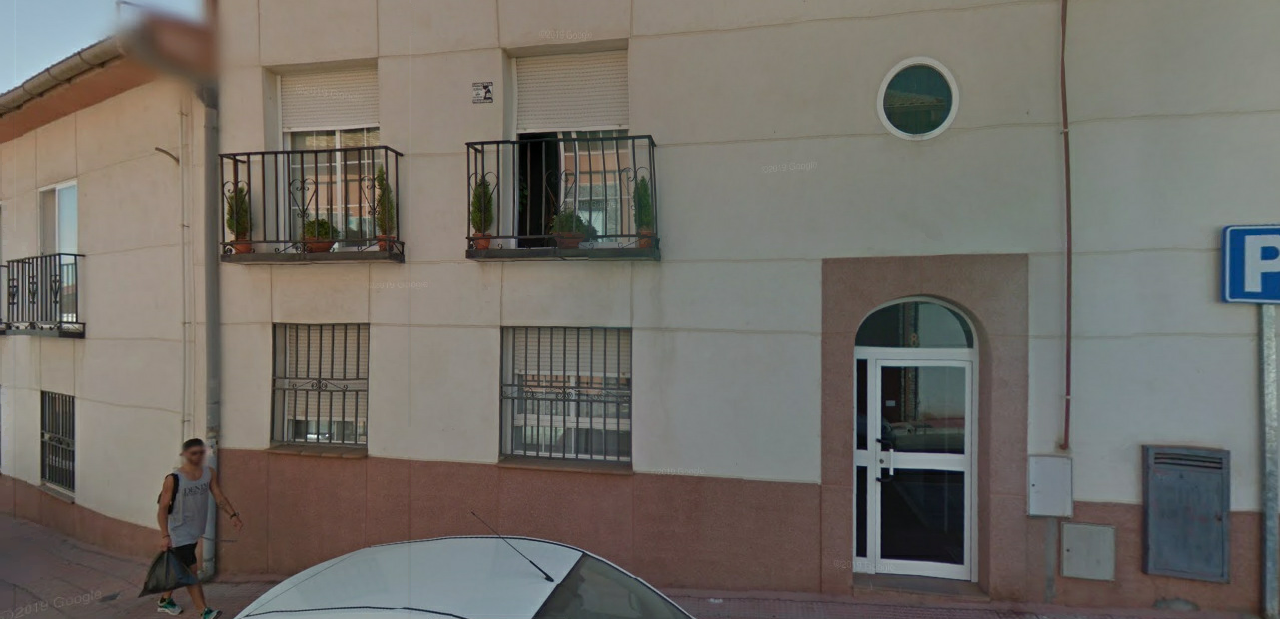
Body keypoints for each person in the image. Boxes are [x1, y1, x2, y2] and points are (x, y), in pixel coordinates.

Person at [155, 438, 244, 618]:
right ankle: (204, 611)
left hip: (195, 530)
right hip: (178, 532)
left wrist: (233, 515)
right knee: (191, 571)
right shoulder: (174, 479)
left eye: (201, 453)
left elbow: (218, 496)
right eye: (193, 453)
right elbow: (162, 509)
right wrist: (165, 535)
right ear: (184, 455)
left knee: (180, 568)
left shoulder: (208, 473)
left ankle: (165, 600)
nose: (197, 456)